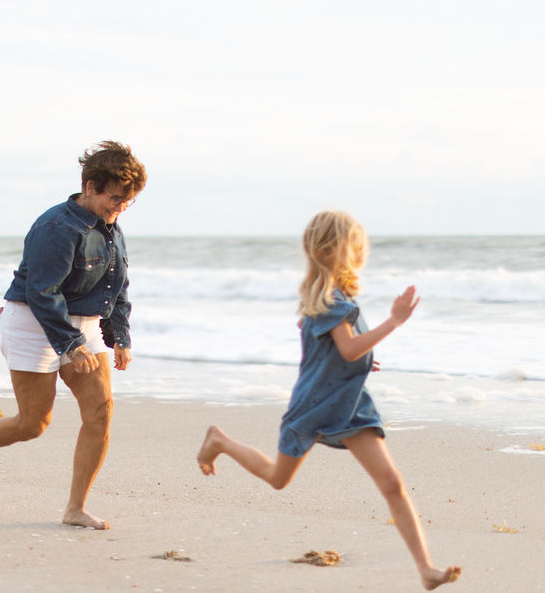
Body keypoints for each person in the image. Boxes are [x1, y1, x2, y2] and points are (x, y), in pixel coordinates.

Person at [196, 211, 461, 590]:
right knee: (278, 479)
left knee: (392, 484)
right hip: (315, 406)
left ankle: (426, 570)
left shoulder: (333, 298)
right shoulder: (332, 300)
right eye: (355, 245)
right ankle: (219, 441)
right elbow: (350, 349)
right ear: (333, 250)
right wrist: (394, 322)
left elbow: (342, 352)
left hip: (351, 406)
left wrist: (365, 359)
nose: (360, 252)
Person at [0, 140, 146, 530]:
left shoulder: (110, 228)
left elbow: (117, 285)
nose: (120, 207)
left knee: (101, 413)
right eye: (115, 198)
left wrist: (119, 336)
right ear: (90, 186)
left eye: (128, 201)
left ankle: (75, 509)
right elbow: (42, 292)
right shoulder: (56, 226)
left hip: (80, 323)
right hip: (33, 322)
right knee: (33, 423)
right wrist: (69, 345)